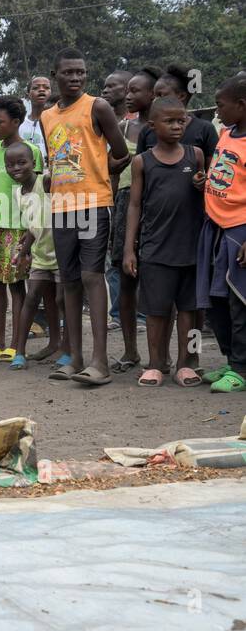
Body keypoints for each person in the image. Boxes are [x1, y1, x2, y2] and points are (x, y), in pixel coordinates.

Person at [41, 48, 130, 386]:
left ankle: (100, 362)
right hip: (61, 207)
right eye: (68, 73)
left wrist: (96, 174)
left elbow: (120, 154)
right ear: (56, 75)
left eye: (81, 72)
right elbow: (55, 161)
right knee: (69, 281)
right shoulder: (47, 117)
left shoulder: (98, 107)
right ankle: (74, 358)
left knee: (92, 277)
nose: (75, 78)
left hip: (93, 204)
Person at [124, 97, 206, 387]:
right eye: (169, 121)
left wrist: (202, 183)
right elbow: (134, 206)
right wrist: (128, 249)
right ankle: (155, 363)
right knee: (156, 311)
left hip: (191, 246)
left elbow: (204, 193)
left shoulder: (195, 155)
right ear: (152, 125)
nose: (176, 126)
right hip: (155, 247)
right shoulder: (142, 161)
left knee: (189, 310)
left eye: (181, 120)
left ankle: (185, 364)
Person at [0, 96, 43, 360]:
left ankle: (16, 343)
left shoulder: (32, 152)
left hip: (19, 227)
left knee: (17, 287)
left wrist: (31, 230)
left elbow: (36, 191)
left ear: (15, 122)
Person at [198, 74, 246, 393]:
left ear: (241, 105)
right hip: (215, 226)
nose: (217, 112)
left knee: (239, 301)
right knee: (216, 300)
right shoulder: (226, 133)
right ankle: (231, 360)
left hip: (239, 230)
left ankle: (241, 369)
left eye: (221, 105)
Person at [110, 67, 160, 358]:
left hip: (157, 206)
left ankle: (160, 355)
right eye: (126, 90)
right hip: (125, 204)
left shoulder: (166, 126)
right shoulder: (123, 128)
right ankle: (131, 351)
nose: (128, 96)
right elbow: (112, 169)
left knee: (156, 279)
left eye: (134, 91)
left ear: (153, 94)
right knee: (125, 277)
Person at [8, 142, 64, 370]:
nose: (16, 168)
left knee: (61, 300)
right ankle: (19, 352)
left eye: (22, 162)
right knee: (32, 298)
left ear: (34, 163)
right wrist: (23, 252)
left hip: (61, 253)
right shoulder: (17, 193)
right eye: (10, 165)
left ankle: (65, 349)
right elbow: (32, 225)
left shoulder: (45, 182)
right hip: (40, 254)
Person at [20, 76, 52, 159]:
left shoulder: (58, 122)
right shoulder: (19, 124)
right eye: (36, 88)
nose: (41, 89)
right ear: (28, 95)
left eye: (46, 87)